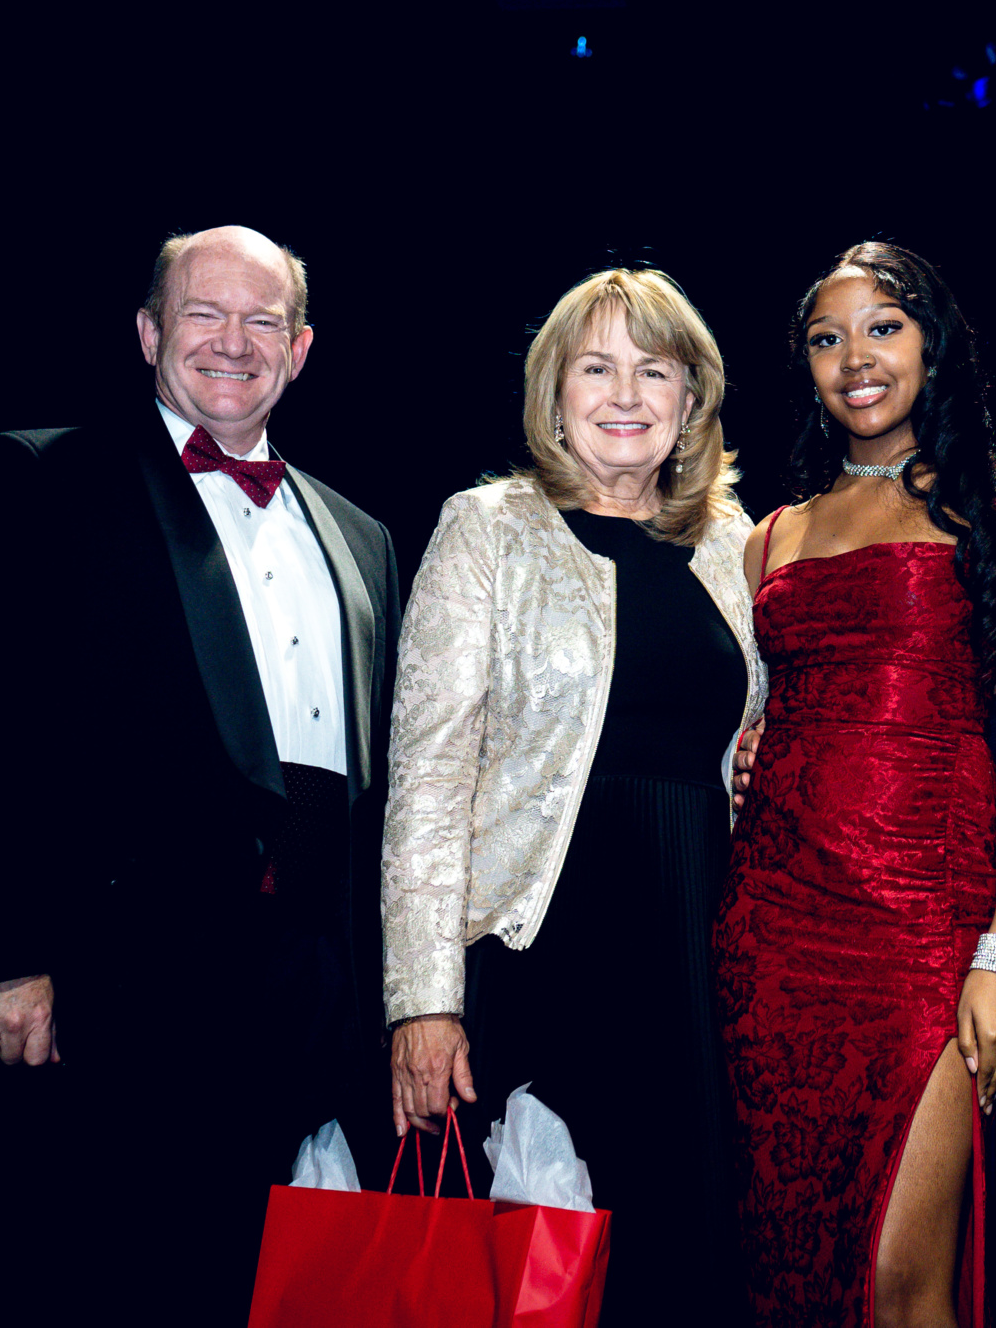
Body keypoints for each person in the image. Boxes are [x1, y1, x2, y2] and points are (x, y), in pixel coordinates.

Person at [0, 225, 403, 1319]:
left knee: (288, 1291)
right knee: (126, 1276)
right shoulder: (46, 476)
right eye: (205, 313)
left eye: (264, 321)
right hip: (129, 982)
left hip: (318, 988)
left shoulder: (364, 535)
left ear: (301, 349)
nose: (233, 343)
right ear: (150, 331)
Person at [382, 267, 766, 1328]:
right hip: (540, 951)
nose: (627, 392)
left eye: (655, 368)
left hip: (702, 953)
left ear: (693, 398)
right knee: (538, 1267)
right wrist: (422, 1001)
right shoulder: (487, 529)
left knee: (678, 1249)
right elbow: (426, 776)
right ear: (554, 393)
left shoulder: (743, 546)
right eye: (596, 367)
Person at [715, 241, 996, 1328]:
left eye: (883, 327)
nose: (854, 358)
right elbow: (757, 710)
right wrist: (745, 745)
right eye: (826, 339)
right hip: (770, 938)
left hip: (925, 937)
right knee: (789, 1266)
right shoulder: (773, 534)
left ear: (934, 344)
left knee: (901, 1282)